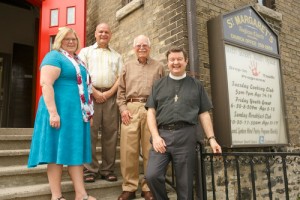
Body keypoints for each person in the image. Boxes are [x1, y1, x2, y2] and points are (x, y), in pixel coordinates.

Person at [27, 27, 96, 200]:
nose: (71, 41)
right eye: (67, 39)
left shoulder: (77, 60)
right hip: (59, 113)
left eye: (74, 39)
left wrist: (88, 113)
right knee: (55, 154)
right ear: (59, 40)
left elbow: (85, 87)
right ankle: (56, 196)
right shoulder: (54, 56)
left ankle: (81, 195)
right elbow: (46, 84)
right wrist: (53, 113)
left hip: (75, 114)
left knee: (75, 152)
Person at [145, 47, 222, 200]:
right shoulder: (158, 85)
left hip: (187, 135)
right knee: (151, 175)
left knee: (185, 185)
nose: (175, 62)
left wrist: (212, 139)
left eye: (179, 59)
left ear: (186, 61)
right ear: (167, 63)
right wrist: (155, 136)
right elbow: (151, 112)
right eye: (172, 59)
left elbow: (204, 114)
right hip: (162, 136)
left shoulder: (196, 85)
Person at [116, 35, 165, 200]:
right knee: (128, 150)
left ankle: (148, 188)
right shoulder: (127, 66)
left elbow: (163, 93)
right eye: (138, 45)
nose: (142, 47)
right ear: (134, 48)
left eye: (145, 45)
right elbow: (120, 92)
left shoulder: (159, 67)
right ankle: (129, 187)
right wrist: (123, 109)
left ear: (150, 47)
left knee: (150, 150)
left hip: (151, 110)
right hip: (130, 109)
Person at [78, 23, 122, 183]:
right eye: (101, 31)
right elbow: (82, 73)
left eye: (107, 32)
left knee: (111, 134)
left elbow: (120, 78)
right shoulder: (85, 52)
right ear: (95, 34)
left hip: (110, 96)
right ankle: (89, 169)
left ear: (110, 35)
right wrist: (95, 92)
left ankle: (107, 169)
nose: (104, 34)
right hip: (90, 95)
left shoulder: (117, 56)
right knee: (90, 133)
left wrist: (109, 93)